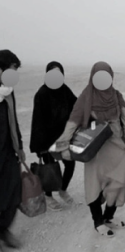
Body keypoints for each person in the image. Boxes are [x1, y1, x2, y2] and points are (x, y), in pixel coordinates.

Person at [53, 61, 125, 237]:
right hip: (95, 149)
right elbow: (73, 121)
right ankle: (98, 222)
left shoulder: (116, 95)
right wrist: (63, 145)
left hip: (117, 146)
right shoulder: (86, 96)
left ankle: (108, 216)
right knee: (94, 185)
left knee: (120, 183)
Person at [29, 61, 77, 211]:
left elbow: (76, 106)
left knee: (70, 163)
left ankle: (62, 189)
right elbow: (37, 120)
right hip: (47, 139)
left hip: (63, 136)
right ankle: (49, 197)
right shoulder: (41, 94)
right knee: (48, 168)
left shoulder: (64, 90)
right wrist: (40, 146)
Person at [0, 49, 25, 249]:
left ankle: (3, 229)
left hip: (9, 150)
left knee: (14, 191)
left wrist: (20, 147)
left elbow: (13, 120)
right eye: (13, 68)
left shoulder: (9, 90)